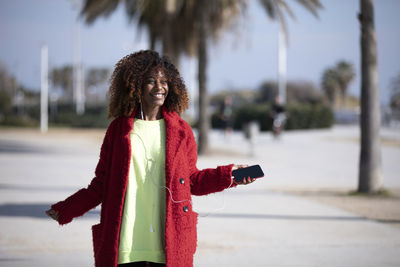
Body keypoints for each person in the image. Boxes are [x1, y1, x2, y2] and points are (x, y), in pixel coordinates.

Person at [45, 50, 255, 267]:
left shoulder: (181, 131)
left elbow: (192, 180)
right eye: (151, 81)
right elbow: (100, 185)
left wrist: (231, 175)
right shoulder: (118, 130)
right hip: (124, 245)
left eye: (164, 81)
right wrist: (66, 209)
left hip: (168, 246)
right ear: (135, 85)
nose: (159, 87)